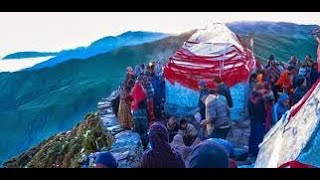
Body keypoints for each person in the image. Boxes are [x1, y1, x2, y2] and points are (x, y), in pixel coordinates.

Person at [130, 77, 149, 150]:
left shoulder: (133, 90)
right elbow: (146, 100)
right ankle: (145, 145)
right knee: (144, 129)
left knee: (138, 129)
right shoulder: (143, 91)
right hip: (143, 112)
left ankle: (140, 145)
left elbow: (131, 98)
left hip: (136, 112)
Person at [248, 83, 266, 157]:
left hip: (253, 119)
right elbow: (261, 111)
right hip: (258, 120)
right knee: (258, 137)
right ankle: (256, 152)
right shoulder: (259, 99)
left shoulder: (251, 97)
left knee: (253, 135)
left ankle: (251, 151)